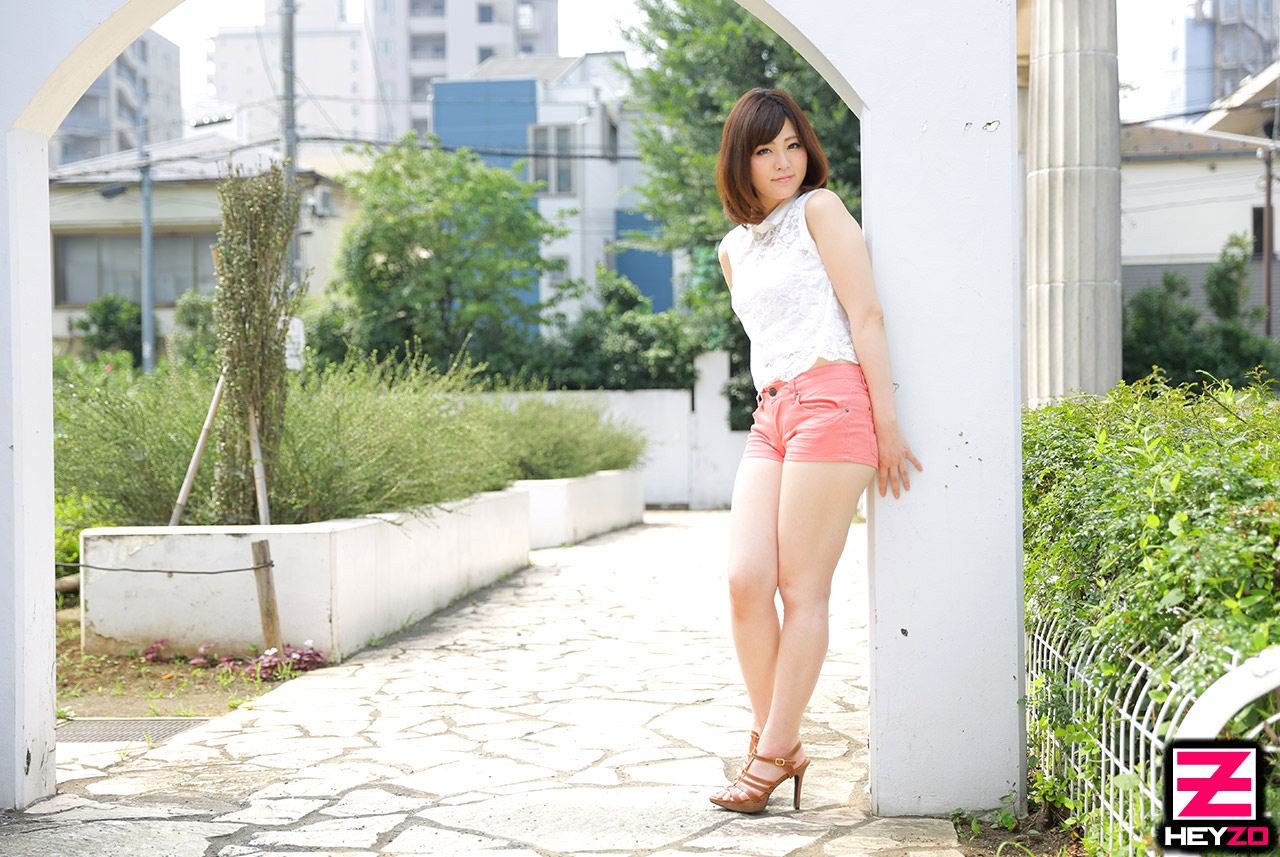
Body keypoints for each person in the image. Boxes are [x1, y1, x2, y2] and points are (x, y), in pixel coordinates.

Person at [707, 87, 922, 813]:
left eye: (793, 145)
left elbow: (866, 313)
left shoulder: (821, 210)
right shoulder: (732, 249)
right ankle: (780, 739)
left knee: (801, 591)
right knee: (745, 581)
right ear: (740, 161)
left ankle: (770, 753)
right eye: (765, 150)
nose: (784, 162)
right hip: (771, 412)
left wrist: (886, 423)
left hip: (833, 404)